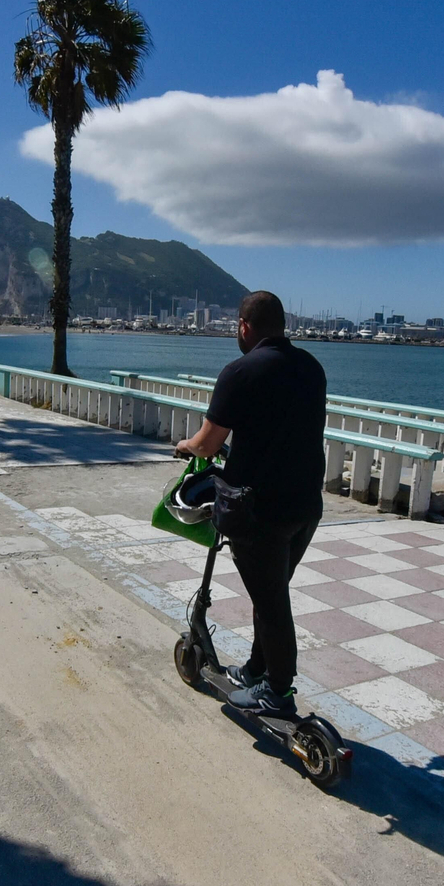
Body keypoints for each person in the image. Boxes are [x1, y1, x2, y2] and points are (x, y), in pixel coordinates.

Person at [175, 290, 326, 717]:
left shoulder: (239, 372)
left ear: (244, 326)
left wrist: (185, 445)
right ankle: (258, 668)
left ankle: (277, 691)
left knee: (272, 601)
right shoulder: (312, 368)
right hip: (305, 506)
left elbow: (207, 444)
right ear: (283, 325)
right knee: (271, 593)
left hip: (259, 511)